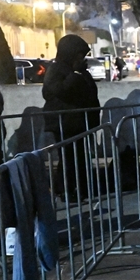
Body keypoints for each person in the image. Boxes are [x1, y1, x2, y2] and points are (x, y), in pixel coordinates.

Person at [42, 35, 100, 198]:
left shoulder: (80, 71)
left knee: (80, 157)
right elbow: (57, 91)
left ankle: (80, 188)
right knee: (68, 158)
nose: (82, 58)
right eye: (79, 54)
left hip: (80, 122)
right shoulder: (56, 69)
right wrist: (75, 73)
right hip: (65, 123)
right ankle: (67, 190)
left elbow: (90, 92)